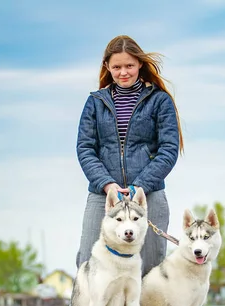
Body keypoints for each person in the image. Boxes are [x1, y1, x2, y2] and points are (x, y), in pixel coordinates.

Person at [76, 35, 184, 276]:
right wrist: (107, 185)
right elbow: (85, 148)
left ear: (139, 65)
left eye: (129, 66)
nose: (123, 72)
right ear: (107, 67)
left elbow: (168, 150)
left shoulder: (160, 101)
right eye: (116, 67)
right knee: (87, 263)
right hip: (102, 195)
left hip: (149, 195)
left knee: (151, 270)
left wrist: (140, 186)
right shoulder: (94, 102)